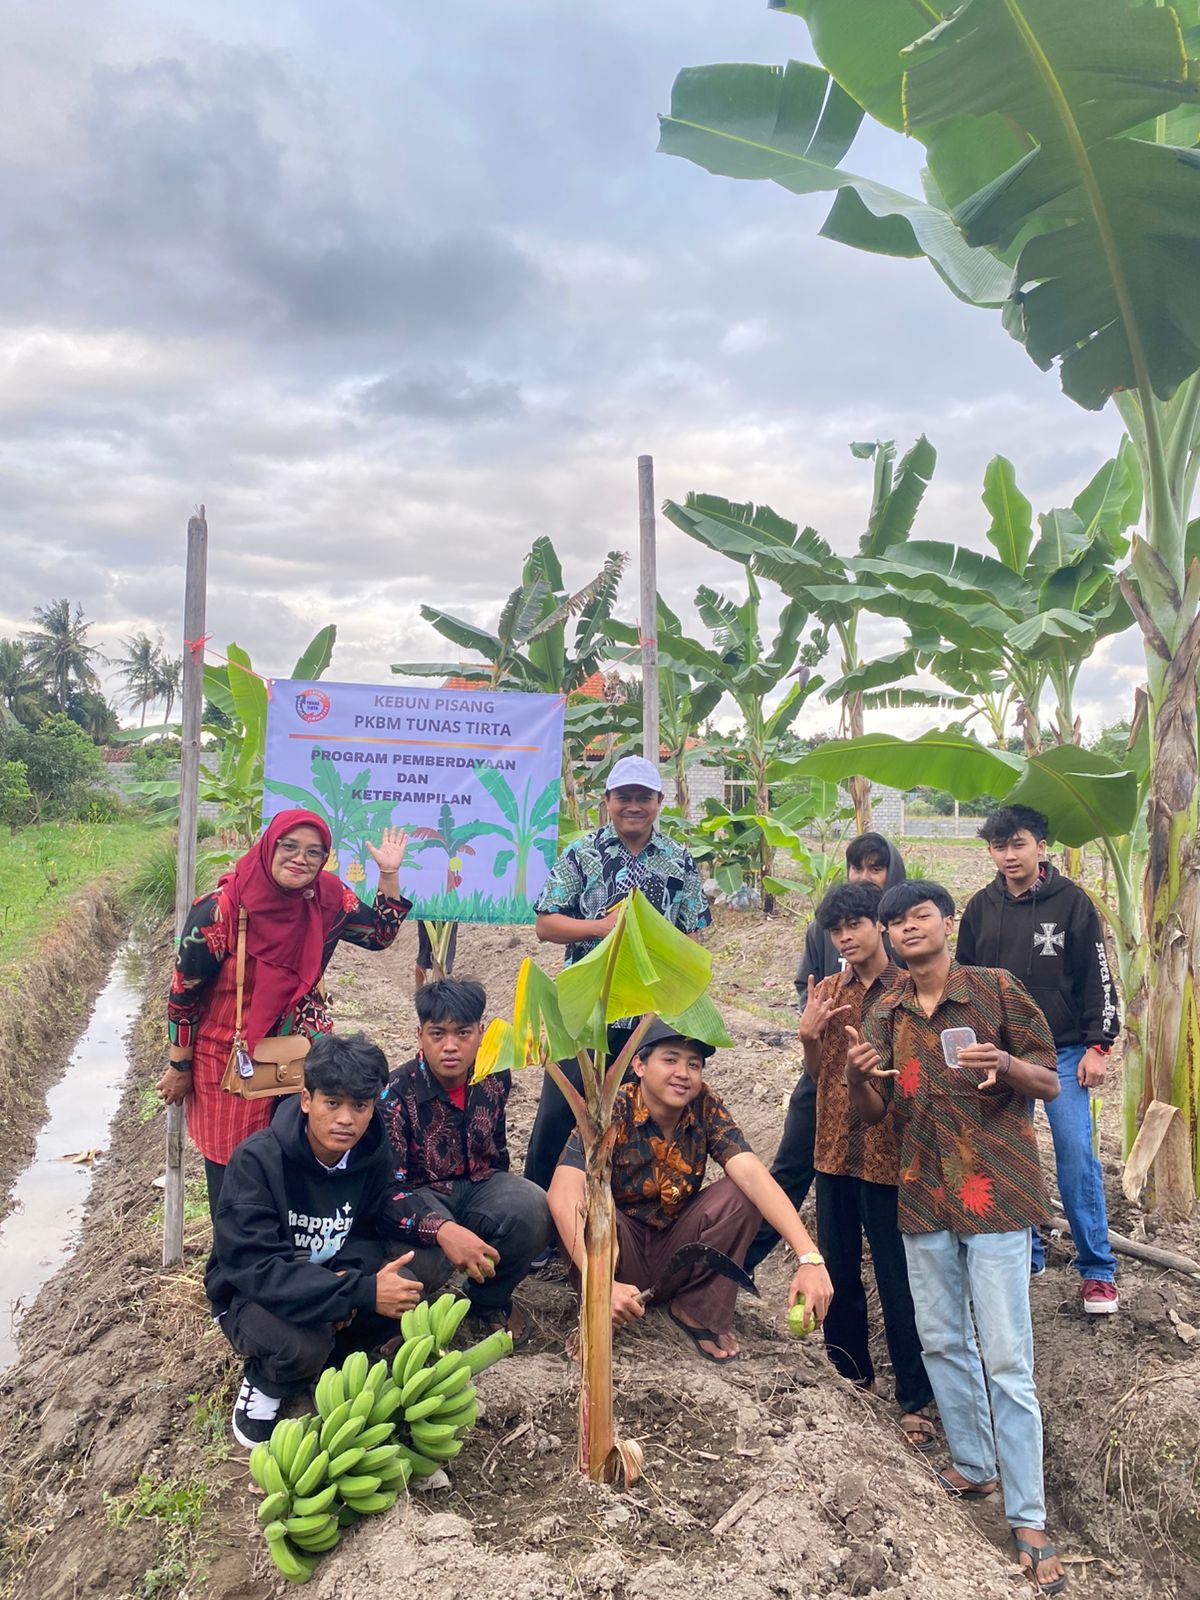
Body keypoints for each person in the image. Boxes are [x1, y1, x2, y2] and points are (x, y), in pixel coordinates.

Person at [845, 880, 1066, 1597]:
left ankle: (1029, 1517)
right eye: (896, 921)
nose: (908, 928)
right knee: (941, 1339)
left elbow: (1049, 1081)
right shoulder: (886, 1010)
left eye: (920, 916)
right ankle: (973, 1464)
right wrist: (852, 1077)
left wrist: (1007, 1066)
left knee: (1006, 1358)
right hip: (922, 1193)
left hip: (996, 1194)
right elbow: (873, 1111)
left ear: (947, 921)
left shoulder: (995, 989)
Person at [159, 809, 411, 1214]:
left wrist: (389, 874)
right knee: (236, 1174)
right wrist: (179, 1065)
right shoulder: (221, 910)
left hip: (301, 1056)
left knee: (299, 1164)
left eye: (314, 852)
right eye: (289, 846)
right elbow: (183, 993)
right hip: (231, 1059)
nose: (300, 859)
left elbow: (379, 935)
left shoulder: (329, 899)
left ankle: (293, 1249)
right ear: (268, 847)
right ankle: (238, 1247)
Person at [548, 1019, 834, 1363]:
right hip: (616, 1257)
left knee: (743, 1193)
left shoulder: (704, 1106)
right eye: (670, 1060)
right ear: (639, 1065)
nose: (683, 1073)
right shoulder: (613, 1108)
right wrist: (599, 1284)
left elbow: (751, 1172)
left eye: (694, 1064)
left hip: (676, 1253)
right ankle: (597, 1313)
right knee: (589, 1206)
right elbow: (562, 1191)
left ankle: (696, 1311)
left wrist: (809, 1257)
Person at [205, 1032, 423, 1447]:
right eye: (332, 1103)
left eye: (360, 1106)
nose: (346, 1120)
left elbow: (366, 1231)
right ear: (306, 1100)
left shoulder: (371, 1155)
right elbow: (257, 1270)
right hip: (252, 1294)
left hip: (330, 1277)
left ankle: (332, 1362)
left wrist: (348, 1282)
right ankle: (266, 1381)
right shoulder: (257, 1161)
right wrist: (354, 1291)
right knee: (302, 1344)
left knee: (405, 1289)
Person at [956, 804, 1119, 1312]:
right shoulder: (981, 907)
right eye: (999, 846)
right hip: (1003, 1054)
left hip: (1065, 1050)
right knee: (1011, 1153)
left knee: (1075, 1155)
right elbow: (963, 978)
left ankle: (1097, 1269)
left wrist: (1098, 1045)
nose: (1009, 855)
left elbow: (1098, 977)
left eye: (1018, 843)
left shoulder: (1072, 903)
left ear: (1041, 846)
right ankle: (1027, 1253)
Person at [524, 755, 711, 1195]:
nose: (633, 806)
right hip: (587, 1009)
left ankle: (622, 1208)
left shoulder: (678, 859)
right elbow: (546, 924)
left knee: (640, 1120)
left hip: (649, 1018)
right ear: (607, 800)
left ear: (659, 802)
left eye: (643, 797)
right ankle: (541, 1209)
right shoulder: (582, 854)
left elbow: (693, 934)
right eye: (624, 796)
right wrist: (601, 928)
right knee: (560, 1115)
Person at [798, 881, 935, 1450]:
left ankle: (915, 1397)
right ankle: (851, 1377)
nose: (845, 937)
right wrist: (808, 1036)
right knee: (839, 1270)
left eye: (854, 924)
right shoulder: (827, 991)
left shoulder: (907, 989)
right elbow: (818, 1074)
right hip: (833, 1150)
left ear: (879, 925)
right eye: (836, 930)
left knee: (898, 1280)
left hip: (889, 1156)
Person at [746, 831, 906, 1272]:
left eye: (877, 867)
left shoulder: (906, 929)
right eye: (857, 867)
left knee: (886, 1197)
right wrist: (812, 1026)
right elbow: (808, 984)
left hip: (889, 1084)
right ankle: (743, 1261)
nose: (866, 875)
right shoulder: (824, 929)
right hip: (827, 1070)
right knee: (795, 1166)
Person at [379, 978, 550, 1347]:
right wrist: (443, 1229)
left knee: (533, 1207)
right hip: (422, 1195)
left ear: (481, 1033)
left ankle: (488, 1302)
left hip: (478, 1185)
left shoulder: (494, 1076)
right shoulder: (395, 1093)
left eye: (463, 1032)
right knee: (419, 1262)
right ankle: (410, 1324)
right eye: (437, 1034)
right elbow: (388, 1191)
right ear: (420, 1035)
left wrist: (499, 1213)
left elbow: (498, 1150)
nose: (450, 1046)